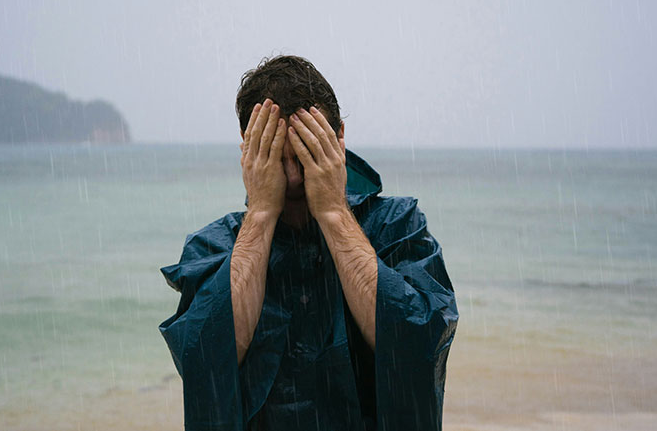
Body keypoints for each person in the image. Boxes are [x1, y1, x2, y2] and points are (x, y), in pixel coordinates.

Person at [158, 55, 459, 431]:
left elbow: (419, 344)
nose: (294, 177)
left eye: (305, 155)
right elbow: (202, 361)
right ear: (249, 148)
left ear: (340, 139)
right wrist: (262, 214)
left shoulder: (397, 226)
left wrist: (333, 213)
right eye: (277, 157)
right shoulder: (215, 247)